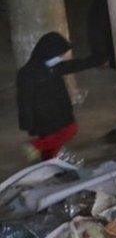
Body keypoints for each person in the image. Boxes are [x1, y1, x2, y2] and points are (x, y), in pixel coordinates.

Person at [16, 32, 98, 160]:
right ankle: (35, 145)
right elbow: (24, 101)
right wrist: (27, 122)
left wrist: (97, 60)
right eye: (59, 55)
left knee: (53, 145)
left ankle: (50, 164)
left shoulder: (55, 67)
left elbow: (77, 65)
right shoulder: (27, 73)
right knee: (70, 130)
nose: (61, 57)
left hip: (60, 111)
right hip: (43, 117)